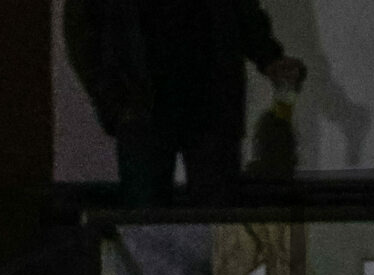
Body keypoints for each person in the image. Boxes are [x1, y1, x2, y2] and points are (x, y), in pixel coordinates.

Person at [64, 0, 305, 206]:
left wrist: (269, 57)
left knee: (208, 219)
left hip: (207, 103)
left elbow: (241, 11)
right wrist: (112, 99)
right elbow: (81, 27)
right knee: (147, 224)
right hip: (150, 107)